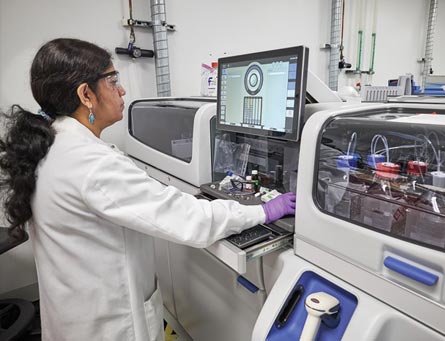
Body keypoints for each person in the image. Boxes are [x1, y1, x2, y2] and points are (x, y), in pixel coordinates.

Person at [0, 38, 296, 341]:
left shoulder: (54, 142)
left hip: (74, 314)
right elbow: (190, 219)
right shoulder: (89, 163)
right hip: (106, 326)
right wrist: (262, 210)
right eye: (113, 80)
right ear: (86, 94)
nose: (122, 90)